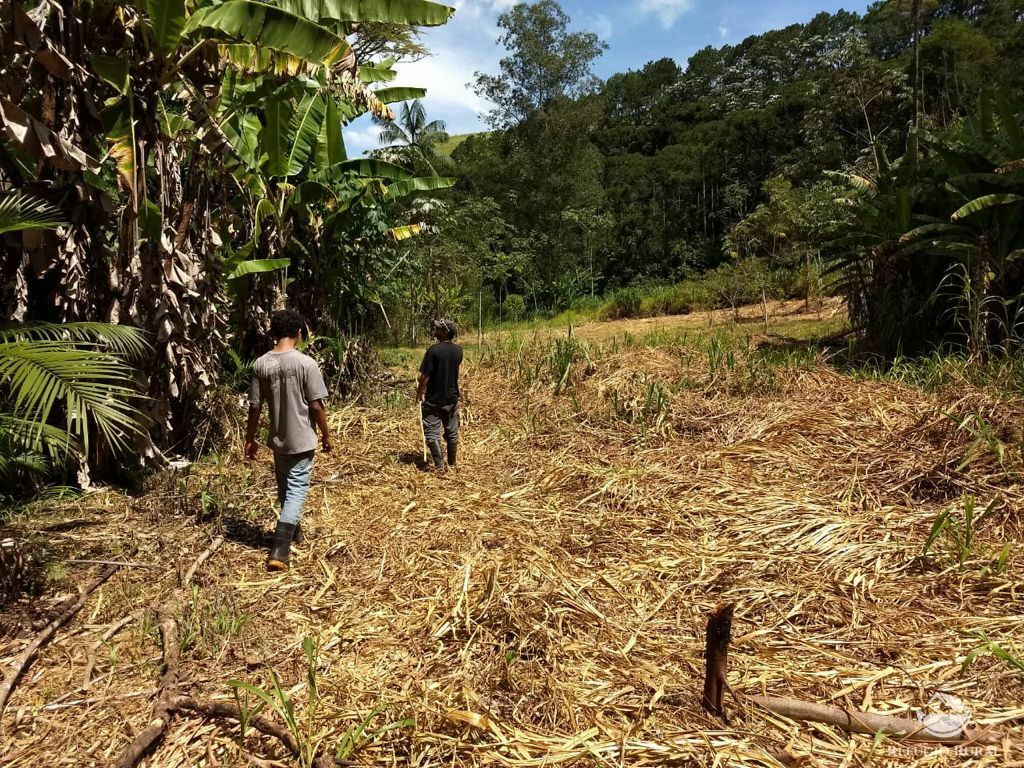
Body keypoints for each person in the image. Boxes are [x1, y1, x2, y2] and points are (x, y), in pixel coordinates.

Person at [244, 309, 332, 571]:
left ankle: (293, 533)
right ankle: (280, 551)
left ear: (274, 333)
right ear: (298, 333)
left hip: (278, 439)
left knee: (285, 488)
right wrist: (327, 435)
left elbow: (254, 407)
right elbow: (316, 406)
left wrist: (250, 438)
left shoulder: (261, 364)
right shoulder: (305, 364)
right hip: (302, 438)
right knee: (295, 492)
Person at [416, 318, 463, 470]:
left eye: (438, 329)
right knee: (451, 430)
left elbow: (425, 376)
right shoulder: (458, 351)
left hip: (434, 399)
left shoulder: (433, 351)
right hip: (451, 397)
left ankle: (439, 464)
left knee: (431, 430)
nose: (435, 331)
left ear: (445, 332)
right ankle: (452, 463)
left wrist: (419, 392)